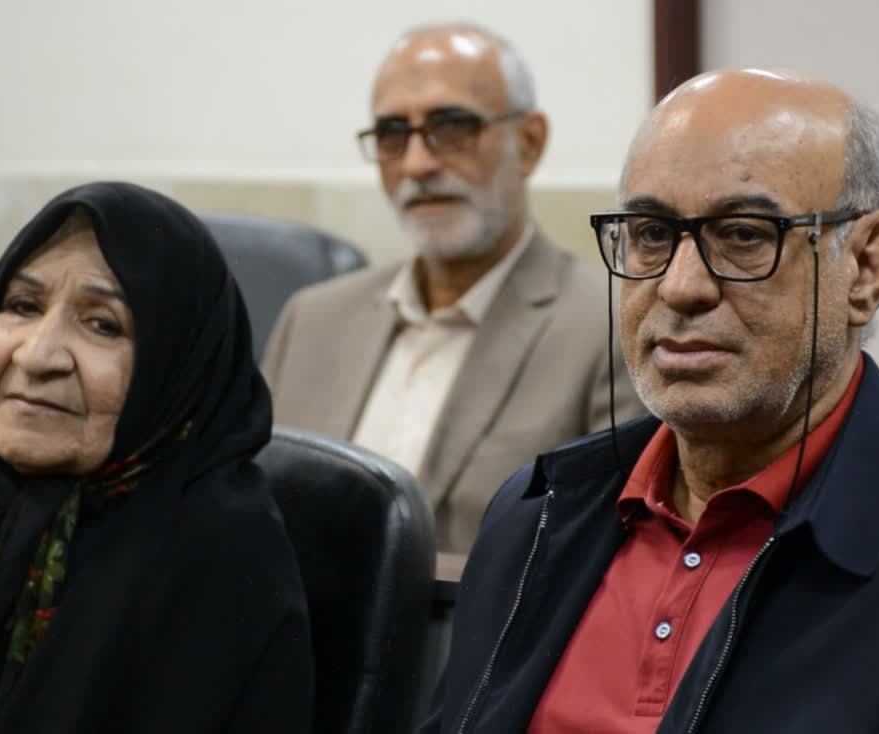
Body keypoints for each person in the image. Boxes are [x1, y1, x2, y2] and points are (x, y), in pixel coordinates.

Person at [421, 69, 879, 733]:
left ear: (866, 266)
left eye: (745, 235)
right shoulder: (538, 512)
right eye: (652, 234)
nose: (682, 287)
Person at [0, 182, 313, 732]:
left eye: (103, 324)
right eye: (23, 306)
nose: (37, 356)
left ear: (177, 370)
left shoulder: (222, 565)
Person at [261, 22, 642, 552]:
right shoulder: (312, 319)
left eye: (452, 126)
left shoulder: (611, 325)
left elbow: (604, 553)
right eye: (392, 134)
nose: (417, 163)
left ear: (529, 143)